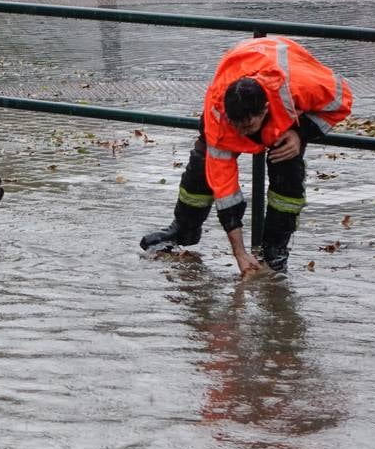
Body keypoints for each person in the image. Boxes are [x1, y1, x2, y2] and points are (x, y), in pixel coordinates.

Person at [139, 36, 353, 279]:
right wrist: (239, 253)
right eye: (235, 125)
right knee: (201, 165)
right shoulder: (218, 115)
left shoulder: (301, 85)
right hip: (243, 70)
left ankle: (275, 253)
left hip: (286, 80)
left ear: (264, 110)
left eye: (248, 126)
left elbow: (341, 100)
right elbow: (225, 190)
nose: (240, 133)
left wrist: (300, 132)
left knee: (288, 172)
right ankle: (185, 229)